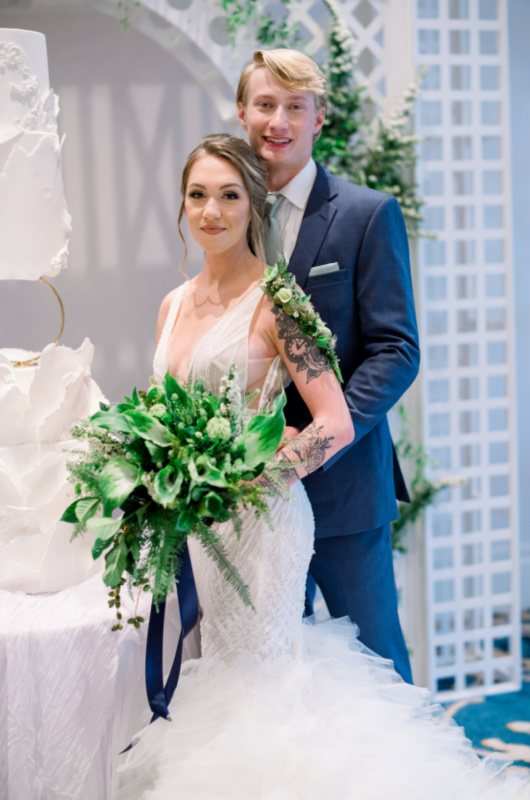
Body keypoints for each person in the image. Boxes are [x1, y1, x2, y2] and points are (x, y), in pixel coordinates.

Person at [117, 135, 528, 799]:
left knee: (266, 681)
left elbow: (333, 420)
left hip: (262, 524)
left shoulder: (278, 302)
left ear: (255, 207)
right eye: (198, 195)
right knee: (219, 672)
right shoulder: (172, 304)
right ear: (182, 206)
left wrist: (261, 478)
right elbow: (165, 414)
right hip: (201, 527)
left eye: (230, 195)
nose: (212, 211)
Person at [236, 48, 420, 684]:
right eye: (265, 104)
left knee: (376, 673)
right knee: (272, 676)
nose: (278, 120)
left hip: (343, 492)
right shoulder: (229, 217)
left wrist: (319, 441)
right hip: (249, 498)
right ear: (242, 113)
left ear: (319, 119)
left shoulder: (367, 214)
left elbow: (397, 350)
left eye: (295, 106)